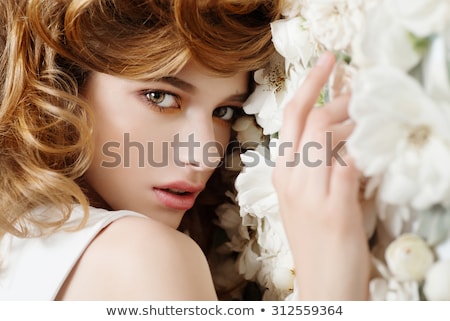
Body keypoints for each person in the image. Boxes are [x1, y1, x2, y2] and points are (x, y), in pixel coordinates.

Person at [0, 0, 369, 300]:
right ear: (66, 84)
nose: (206, 153)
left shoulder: (21, 241)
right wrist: (330, 278)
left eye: (224, 112)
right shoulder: (144, 256)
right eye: (161, 97)